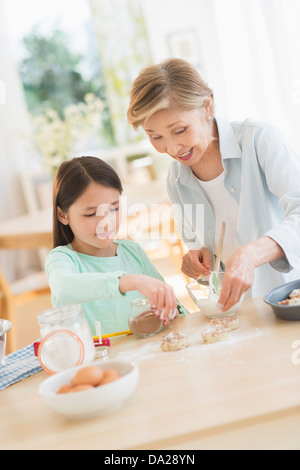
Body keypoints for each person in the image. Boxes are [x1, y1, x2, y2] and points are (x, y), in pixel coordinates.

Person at [127, 58, 300, 313]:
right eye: (155, 137)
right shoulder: (176, 180)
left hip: (290, 301)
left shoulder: (259, 140)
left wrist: (250, 254)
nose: (172, 149)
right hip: (238, 317)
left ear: (207, 106)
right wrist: (194, 263)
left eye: (180, 130)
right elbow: (199, 250)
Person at [46, 156, 187, 336]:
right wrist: (129, 281)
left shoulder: (132, 251)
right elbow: (64, 289)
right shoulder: (62, 258)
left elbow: (173, 308)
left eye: (114, 208)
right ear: (62, 215)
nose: (106, 223)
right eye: (91, 214)